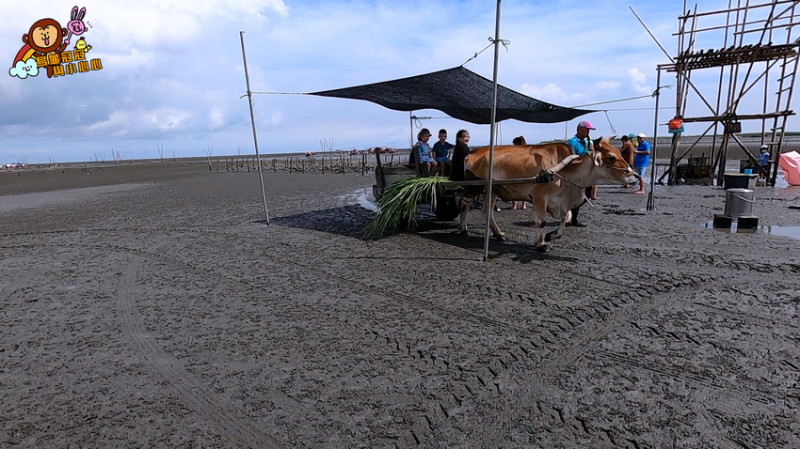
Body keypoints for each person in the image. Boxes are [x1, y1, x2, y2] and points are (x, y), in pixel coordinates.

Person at [567, 120, 596, 226]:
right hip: (575, 174)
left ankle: (572, 217)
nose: (588, 132)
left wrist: (591, 151)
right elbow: (569, 158)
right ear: (580, 130)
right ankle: (572, 219)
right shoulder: (573, 142)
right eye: (587, 130)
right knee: (575, 196)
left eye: (589, 130)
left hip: (586, 174)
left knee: (587, 195)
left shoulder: (587, 142)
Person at [511, 136, 529, 210]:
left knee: (514, 187)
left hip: (516, 171)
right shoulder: (526, 151)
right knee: (524, 188)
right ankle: (523, 205)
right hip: (525, 171)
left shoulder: (515, 151)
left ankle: (514, 205)